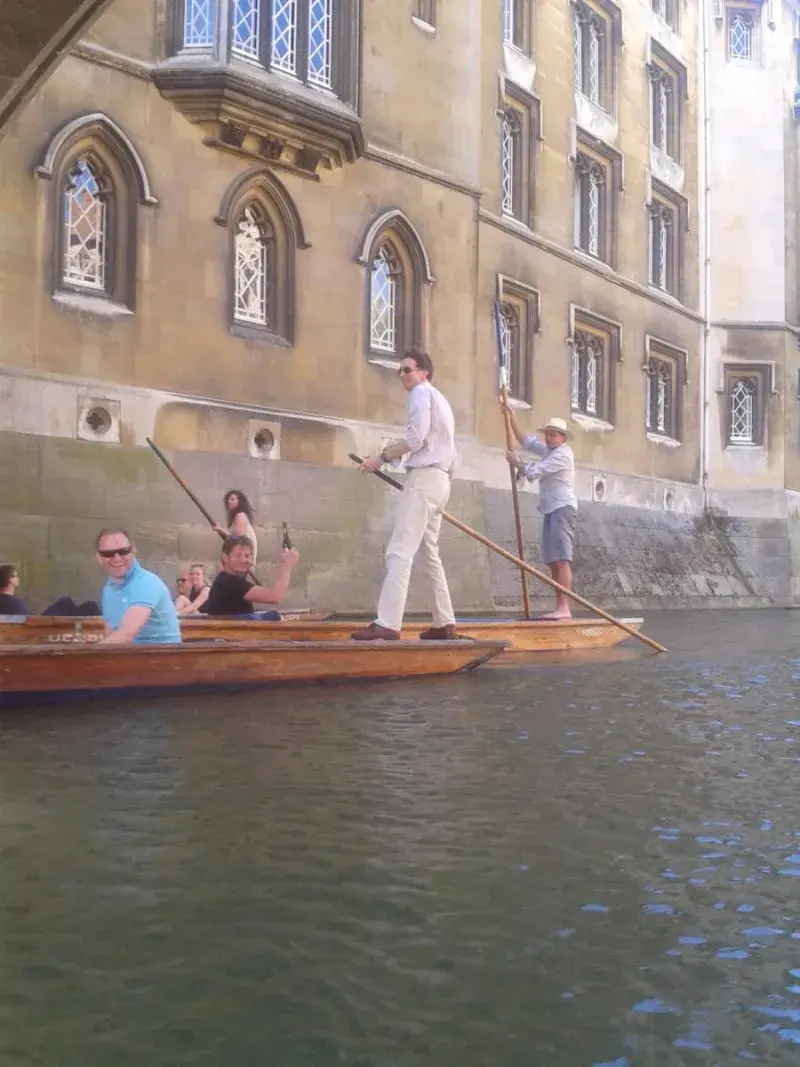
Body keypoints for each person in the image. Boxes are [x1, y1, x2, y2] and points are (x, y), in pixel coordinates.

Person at [352, 349, 458, 641]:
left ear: (424, 372)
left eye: (407, 370)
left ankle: (388, 624)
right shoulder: (441, 400)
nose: (401, 374)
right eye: (400, 370)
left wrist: (381, 458)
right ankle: (444, 623)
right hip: (440, 480)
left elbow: (415, 438)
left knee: (399, 550)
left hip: (425, 480)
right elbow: (447, 449)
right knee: (428, 553)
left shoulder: (421, 394)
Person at [504, 410, 577, 621]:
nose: (549, 437)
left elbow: (534, 472)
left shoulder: (563, 455)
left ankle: (564, 607)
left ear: (563, 437)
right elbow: (526, 441)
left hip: (562, 508)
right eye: (547, 433)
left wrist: (516, 462)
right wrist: (511, 418)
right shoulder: (549, 451)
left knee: (562, 559)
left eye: (553, 434)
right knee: (553, 560)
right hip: (551, 508)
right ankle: (560, 607)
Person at [95, 528, 181, 644]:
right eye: (108, 554)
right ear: (99, 558)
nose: (117, 558)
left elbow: (126, 634)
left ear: (133, 551)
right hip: (131, 657)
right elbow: (111, 631)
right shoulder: (109, 587)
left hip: (162, 658)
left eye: (123, 551)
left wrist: (83, 658)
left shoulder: (147, 583)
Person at [203, 535, 299, 618]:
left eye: (247, 556)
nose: (244, 560)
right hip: (232, 637)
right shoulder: (229, 583)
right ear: (225, 557)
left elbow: (275, 595)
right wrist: (287, 566)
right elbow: (275, 597)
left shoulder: (226, 580)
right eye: (238, 555)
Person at [215, 490, 258, 564]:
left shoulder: (240, 515)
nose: (229, 501)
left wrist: (220, 530)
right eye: (228, 499)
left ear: (239, 502)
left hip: (244, 558)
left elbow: (238, 538)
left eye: (232, 499)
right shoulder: (236, 517)